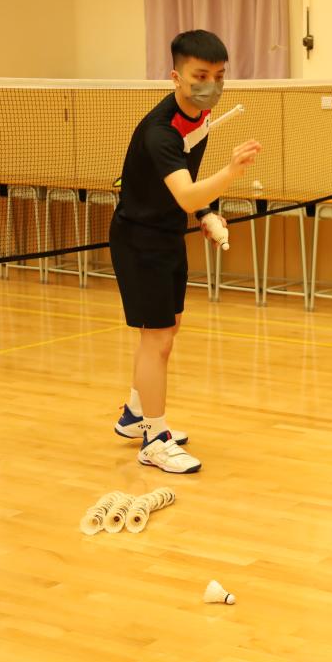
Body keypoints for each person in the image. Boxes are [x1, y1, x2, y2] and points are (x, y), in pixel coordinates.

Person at [109, 29, 261, 474]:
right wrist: (230, 173)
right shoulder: (161, 131)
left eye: (219, 75)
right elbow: (186, 192)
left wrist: (206, 214)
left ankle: (135, 414)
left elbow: (189, 189)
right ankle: (154, 439)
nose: (211, 85)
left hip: (167, 234)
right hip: (140, 240)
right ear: (176, 76)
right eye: (200, 76)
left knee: (167, 330)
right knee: (156, 339)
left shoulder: (198, 117)